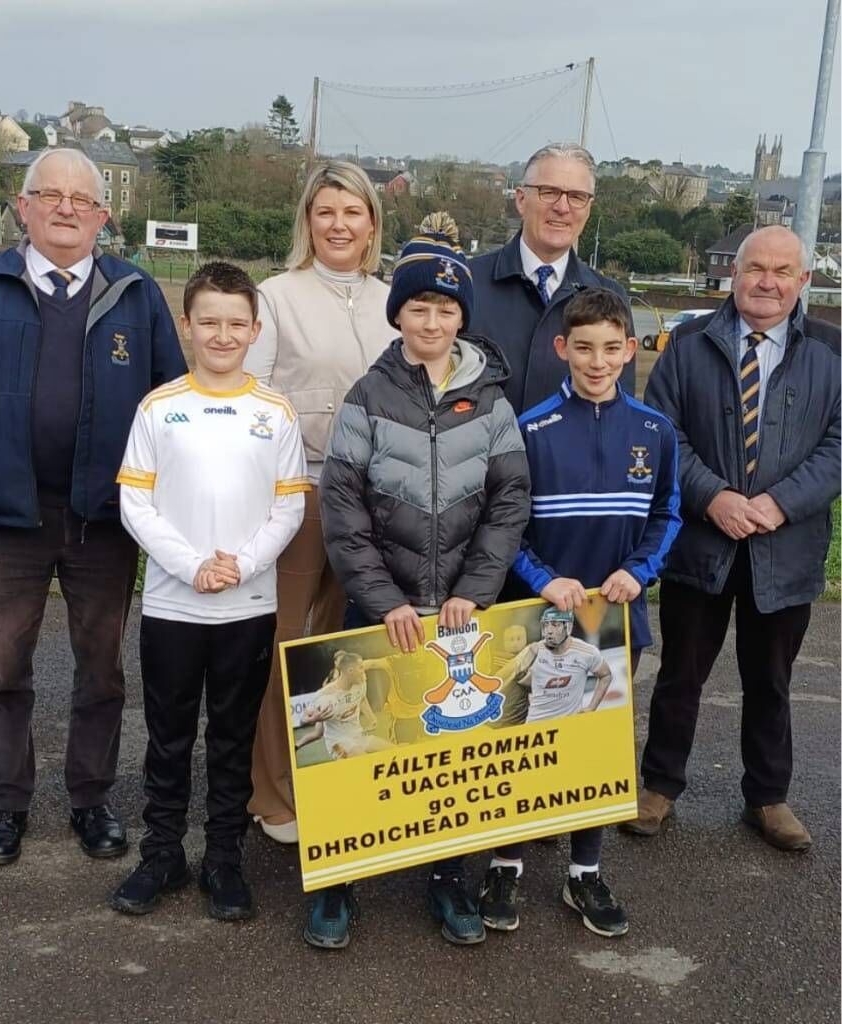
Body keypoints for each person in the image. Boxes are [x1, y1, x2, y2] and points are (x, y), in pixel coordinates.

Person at [0, 148, 186, 866]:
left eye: (81, 199)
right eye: (50, 195)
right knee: (4, 669)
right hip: (10, 520)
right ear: (23, 205)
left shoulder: (134, 291)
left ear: (104, 215)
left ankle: (90, 801)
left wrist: (142, 487)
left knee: (101, 671)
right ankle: (7, 805)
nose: (66, 208)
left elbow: (169, 402)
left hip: (103, 519)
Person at [311, 213, 531, 949]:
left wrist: (475, 586)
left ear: (460, 317)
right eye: (417, 307)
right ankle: (337, 880)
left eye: (445, 308)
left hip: (462, 611)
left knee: (450, 753)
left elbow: (508, 502)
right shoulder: (367, 397)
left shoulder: (491, 399)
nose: (431, 319)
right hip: (381, 604)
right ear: (397, 313)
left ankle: (446, 878)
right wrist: (383, 602)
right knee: (360, 737)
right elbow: (340, 509)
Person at [622, 225, 840, 853]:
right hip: (701, 542)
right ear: (734, 274)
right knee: (681, 674)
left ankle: (768, 797)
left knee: (770, 678)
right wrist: (712, 496)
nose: (766, 283)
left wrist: (779, 502)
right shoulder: (688, 345)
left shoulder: (832, 351)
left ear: (803, 282)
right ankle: (659, 785)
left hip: (786, 545)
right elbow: (663, 433)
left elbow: (838, 445)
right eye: (754, 269)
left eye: (781, 272)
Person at [478, 287, 681, 938]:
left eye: (611, 348)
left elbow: (666, 516)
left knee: (597, 747)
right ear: (563, 348)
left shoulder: (653, 431)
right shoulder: (529, 427)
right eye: (583, 348)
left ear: (629, 350)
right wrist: (543, 580)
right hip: (541, 618)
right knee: (524, 743)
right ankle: (505, 863)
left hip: (615, 619)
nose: (597, 362)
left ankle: (583, 874)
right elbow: (506, 527)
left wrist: (638, 572)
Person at [108, 262, 308, 919]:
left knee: (230, 737)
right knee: (167, 737)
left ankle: (223, 860)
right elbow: (136, 502)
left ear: (254, 329)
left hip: (248, 607)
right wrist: (191, 564)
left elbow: (288, 510)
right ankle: (161, 855)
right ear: (187, 325)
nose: (222, 335)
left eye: (235, 323)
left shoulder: (274, 413)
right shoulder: (159, 408)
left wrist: (244, 565)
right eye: (208, 322)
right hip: (173, 603)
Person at [244, 160, 394, 844]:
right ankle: (272, 792)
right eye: (325, 210)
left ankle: (339, 780)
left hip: (375, 504)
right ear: (308, 220)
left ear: (371, 225)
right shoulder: (275, 295)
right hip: (301, 492)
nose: (339, 224)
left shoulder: (390, 301)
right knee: (290, 644)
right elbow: (252, 401)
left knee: (351, 646)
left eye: (352, 212)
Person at [469, 142, 633, 418]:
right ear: (521, 199)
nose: (562, 207)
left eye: (577, 196)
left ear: (589, 208)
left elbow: (617, 417)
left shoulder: (610, 297)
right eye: (549, 192)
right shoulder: (468, 284)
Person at [294, 652, 392, 760]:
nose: (363, 671)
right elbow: (303, 720)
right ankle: (296, 745)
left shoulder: (360, 683)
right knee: (366, 762)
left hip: (358, 736)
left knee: (395, 751)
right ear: (350, 671)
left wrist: (372, 718)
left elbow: (362, 698)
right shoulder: (324, 694)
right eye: (361, 668)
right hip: (338, 742)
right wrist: (314, 718)